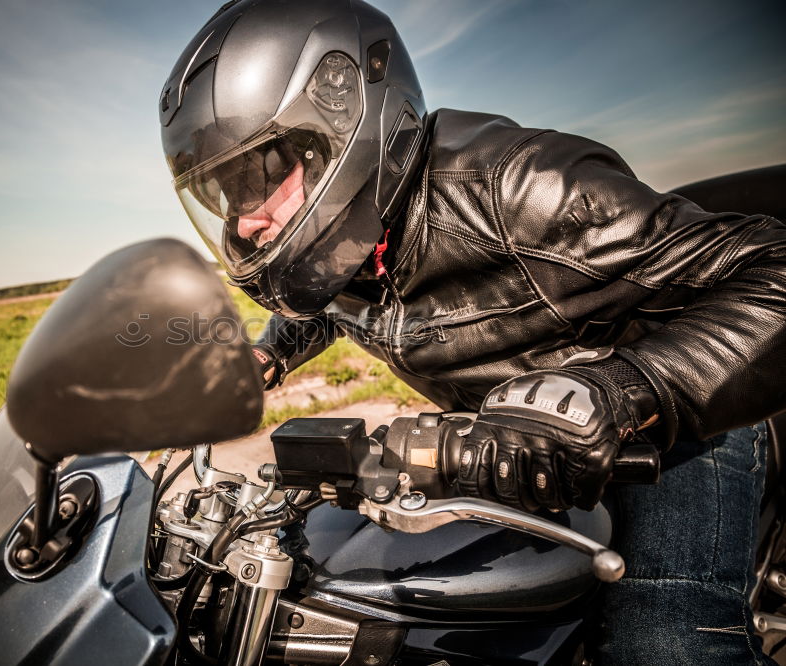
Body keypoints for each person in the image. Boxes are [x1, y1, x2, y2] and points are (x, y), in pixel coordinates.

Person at [158, 0, 785, 663]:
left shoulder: (521, 188)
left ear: (340, 118)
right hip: (510, 446)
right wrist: (264, 356)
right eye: (223, 194)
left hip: (674, 425)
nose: (243, 222)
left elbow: (772, 268)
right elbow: (322, 303)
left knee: (660, 642)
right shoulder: (348, 244)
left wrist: (618, 390)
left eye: (255, 178)